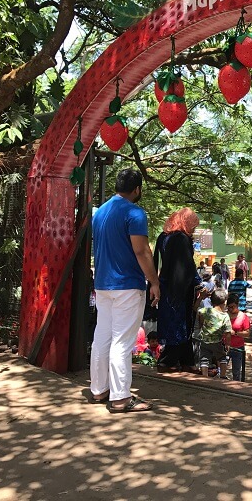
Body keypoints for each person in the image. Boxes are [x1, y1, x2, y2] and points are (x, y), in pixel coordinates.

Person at [89, 168, 160, 413]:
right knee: (122, 340)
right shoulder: (134, 213)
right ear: (137, 189)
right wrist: (155, 282)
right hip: (127, 285)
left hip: (103, 285)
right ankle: (120, 398)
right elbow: (142, 252)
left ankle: (99, 390)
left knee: (102, 337)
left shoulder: (99, 213)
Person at [155, 207, 200, 373]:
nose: (194, 229)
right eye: (193, 225)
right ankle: (168, 361)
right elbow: (187, 265)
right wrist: (198, 281)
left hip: (166, 286)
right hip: (180, 289)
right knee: (181, 324)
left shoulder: (164, 237)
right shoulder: (182, 239)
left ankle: (187, 360)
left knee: (177, 324)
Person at [197, 289, 233, 378]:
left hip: (204, 340)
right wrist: (228, 344)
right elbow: (228, 332)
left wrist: (201, 297)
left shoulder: (207, 311)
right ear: (224, 302)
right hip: (217, 341)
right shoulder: (225, 316)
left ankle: (204, 376)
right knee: (222, 358)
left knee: (204, 359)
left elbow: (196, 310)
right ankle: (223, 376)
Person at [225, 300, 251, 381]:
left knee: (236, 372)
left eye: (232, 307)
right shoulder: (224, 315)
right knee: (220, 370)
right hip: (225, 347)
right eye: (228, 307)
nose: (230, 309)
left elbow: (247, 333)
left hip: (238, 348)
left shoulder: (243, 316)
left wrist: (235, 333)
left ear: (237, 305)